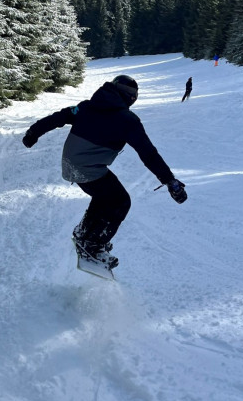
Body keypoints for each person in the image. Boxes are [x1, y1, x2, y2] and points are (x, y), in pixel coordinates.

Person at [22, 74, 187, 270]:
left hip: (69, 164)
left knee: (104, 196)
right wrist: (170, 181)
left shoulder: (85, 107)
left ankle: (85, 233)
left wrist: (33, 132)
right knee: (120, 201)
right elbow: (148, 153)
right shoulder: (128, 120)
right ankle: (93, 245)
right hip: (87, 170)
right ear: (130, 98)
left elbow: (59, 116)